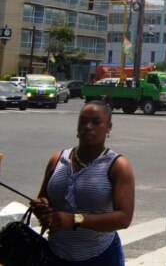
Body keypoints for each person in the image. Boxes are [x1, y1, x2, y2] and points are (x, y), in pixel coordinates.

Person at [31, 100, 135, 266]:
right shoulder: (57, 160)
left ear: (108, 127)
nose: (88, 127)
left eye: (96, 122)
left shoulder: (117, 166)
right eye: (83, 121)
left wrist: (75, 219)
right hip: (55, 256)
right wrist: (41, 207)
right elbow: (44, 200)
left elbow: (124, 218)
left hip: (101, 257)